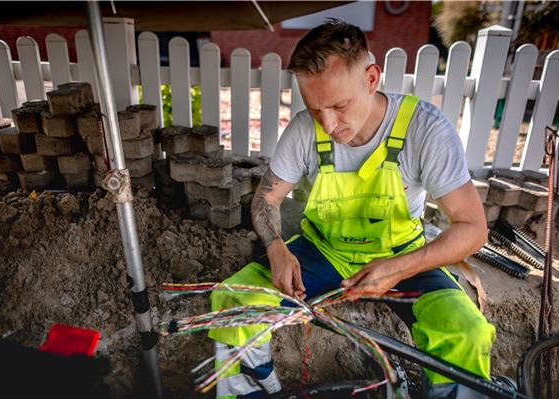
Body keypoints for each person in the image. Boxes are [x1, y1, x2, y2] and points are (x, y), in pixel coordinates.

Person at [208, 19, 495, 399]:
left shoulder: (424, 130)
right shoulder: (304, 131)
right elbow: (266, 200)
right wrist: (277, 248)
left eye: (339, 106)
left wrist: (399, 268)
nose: (327, 124)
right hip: (324, 252)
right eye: (315, 109)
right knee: (233, 301)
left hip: (403, 255)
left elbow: (472, 228)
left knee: (466, 332)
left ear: (371, 77)